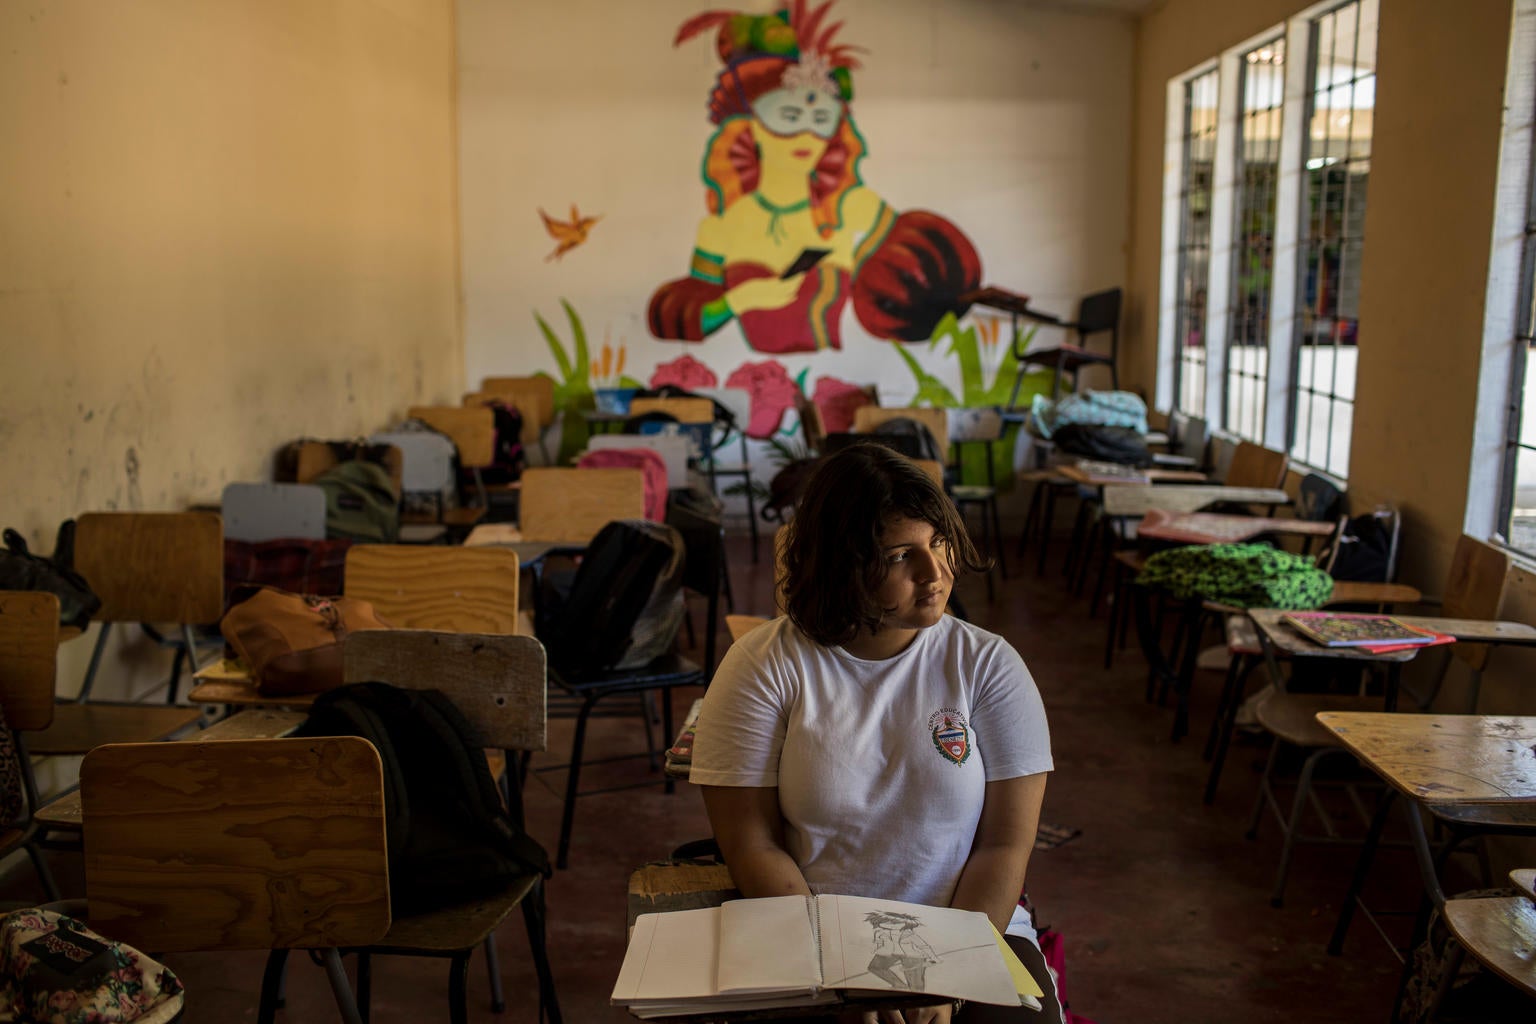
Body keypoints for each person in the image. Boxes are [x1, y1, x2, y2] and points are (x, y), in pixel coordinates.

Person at [689, 443, 1060, 1024]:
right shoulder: (763, 665)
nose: (934, 573)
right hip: (807, 927)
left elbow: (1003, 846)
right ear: (842, 562)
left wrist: (947, 973)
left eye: (938, 544)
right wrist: (837, 975)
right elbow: (751, 843)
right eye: (898, 556)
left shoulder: (988, 665)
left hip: (969, 925)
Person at [649, 1, 982, 354]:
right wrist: (739, 300)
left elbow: (925, 276)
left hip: (836, 375)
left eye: (821, 121)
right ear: (753, 129)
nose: (807, 136)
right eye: (789, 117)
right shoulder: (723, 226)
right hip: (745, 380)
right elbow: (681, 319)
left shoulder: (852, 206)